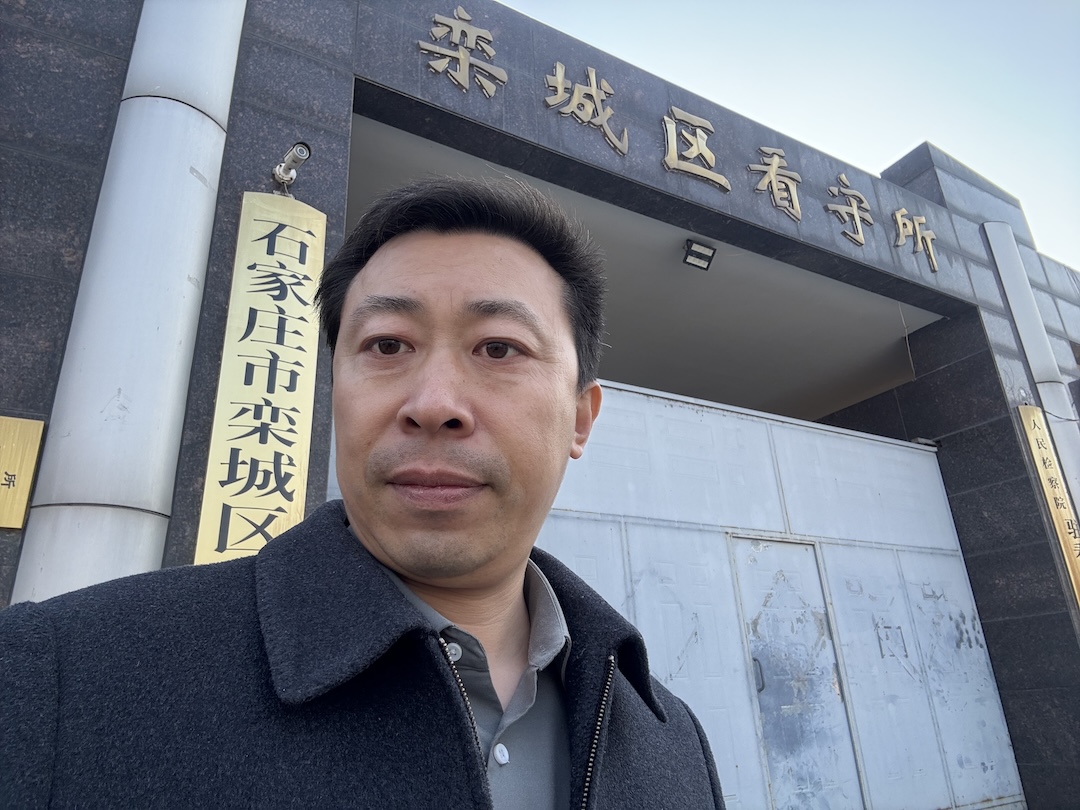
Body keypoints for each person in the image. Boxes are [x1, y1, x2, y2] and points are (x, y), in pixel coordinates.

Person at [0, 176, 726, 808]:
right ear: (335, 391)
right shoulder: (55, 680)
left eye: (499, 348)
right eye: (387, 345)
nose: (434, 404)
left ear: (580, 417)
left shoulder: (669, 740)